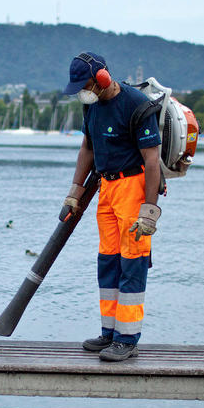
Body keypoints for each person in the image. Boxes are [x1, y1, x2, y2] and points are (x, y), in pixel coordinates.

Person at [60, 52, 162, 362]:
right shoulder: (90, 107)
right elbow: (87, 148)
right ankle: (109, 332)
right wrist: (74, 192)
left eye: (86, 85)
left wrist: (149, 210)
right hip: (106, 188)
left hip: (134, 186)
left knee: (132, 262)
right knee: (108, 261)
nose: (83, 92)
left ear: (102, 78)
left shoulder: (135, 105)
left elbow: (152, 160)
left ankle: (127, 338)